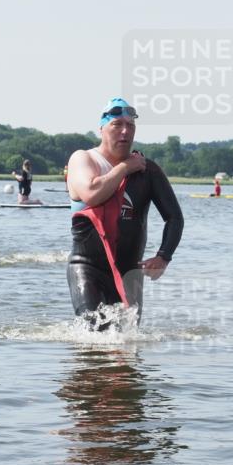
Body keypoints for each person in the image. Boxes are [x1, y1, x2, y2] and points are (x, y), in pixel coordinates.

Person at [66, 97, 184, 326]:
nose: (124, 131)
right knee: (95, 335)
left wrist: (163, 256)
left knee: (126, 342)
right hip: (88, 268)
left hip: (130, 273)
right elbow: (92, 192)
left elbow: (175, 218)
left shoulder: (147, 171)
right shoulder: (83, 159)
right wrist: (125, 167)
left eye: (130, 126)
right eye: (117, 124)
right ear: (101, 129)